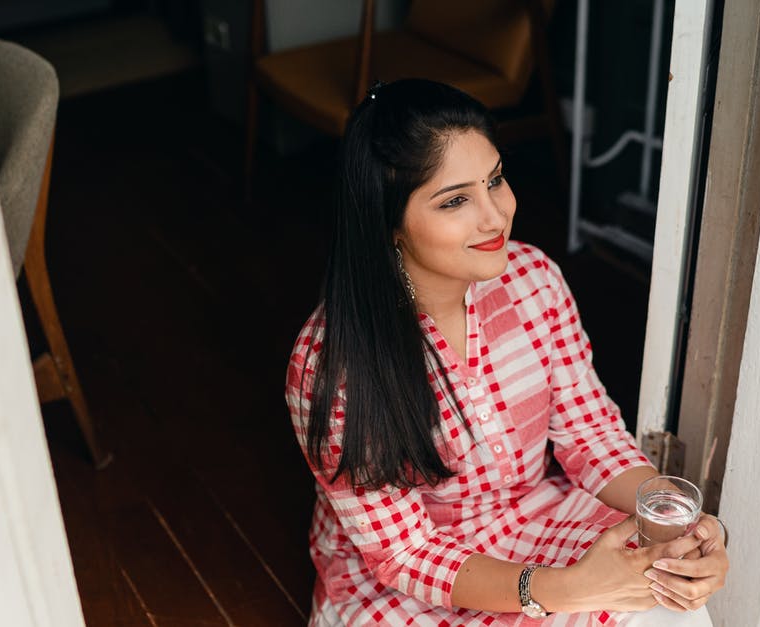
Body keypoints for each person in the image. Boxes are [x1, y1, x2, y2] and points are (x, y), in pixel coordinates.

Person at [284, 79, 728, 626]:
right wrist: (564, 590)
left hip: (535, 513)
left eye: (494, 180)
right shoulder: (333, 362)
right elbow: (403, 554)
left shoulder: (535, 279)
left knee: (668, 598)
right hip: (410, 579)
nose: (496, 216)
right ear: (388, 221)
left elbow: (591, 433)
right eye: (454, 200)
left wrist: (683, 526)